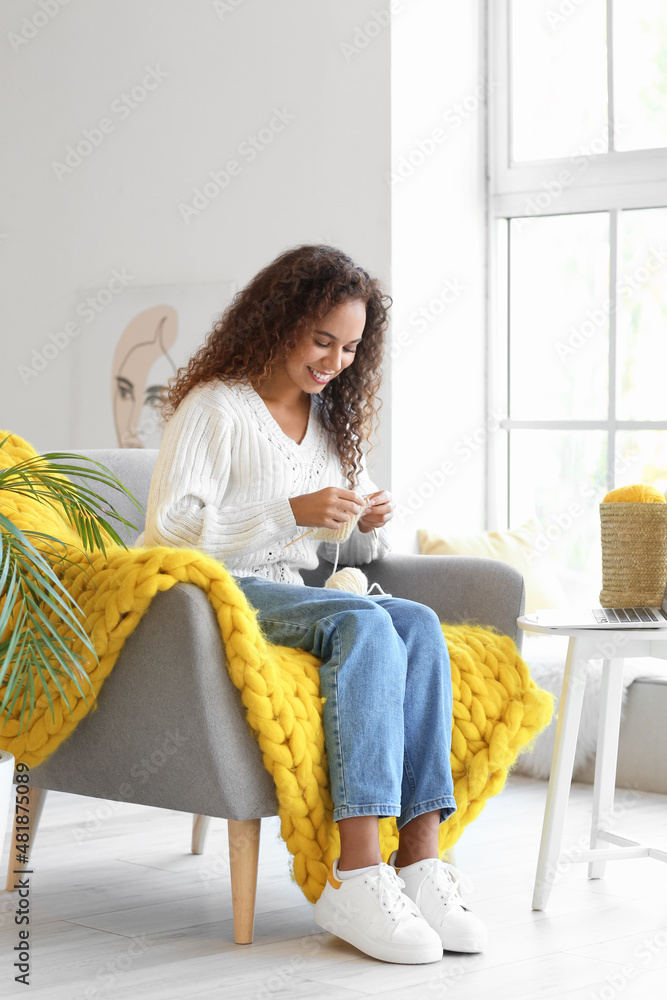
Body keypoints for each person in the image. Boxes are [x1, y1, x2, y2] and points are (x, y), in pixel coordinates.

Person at [141, 244, 487, 965]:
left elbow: (331, 548)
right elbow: (172, 525)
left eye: (351, 347)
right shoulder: (216, 406)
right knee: (360, 620)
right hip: (214, 592)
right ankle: (354, 871)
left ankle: (417, 862)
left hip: (293, 594)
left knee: (416, 623)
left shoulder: (331, 422)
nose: (334, 359)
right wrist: (288, 508)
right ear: (277, 320)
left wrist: (364, 521)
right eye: (322, 339)